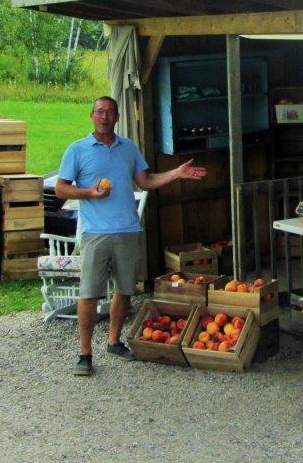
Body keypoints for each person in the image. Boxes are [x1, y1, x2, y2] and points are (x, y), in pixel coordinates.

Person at [55, 95, 207, 376]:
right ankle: (85, 353)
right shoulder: (77, 150)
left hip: (127, 230)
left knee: (125, 291)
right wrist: (88, 193)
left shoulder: (129, 148)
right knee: (89, 294)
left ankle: (114, 341)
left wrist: (177, 173)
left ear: (117, 117)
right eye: (100, 112)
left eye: (110, 112)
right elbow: (61, 189)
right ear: (91, 116)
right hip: (95, 233)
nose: (104, 117)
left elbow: (146, 181)